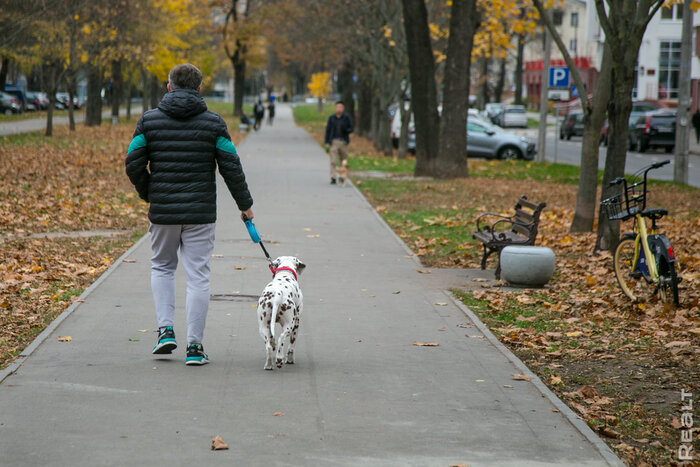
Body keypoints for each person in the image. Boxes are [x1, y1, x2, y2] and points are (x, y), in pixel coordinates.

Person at [125, 63, 254, 366]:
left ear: (169, 87)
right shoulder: (213, 123)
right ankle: (195, 348)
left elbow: (132, 162)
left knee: (162, 267)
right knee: (198, 278)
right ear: (199, 89)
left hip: (164, 213)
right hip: (200, 213)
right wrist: (244, 205)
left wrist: (150, 193)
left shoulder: (149, 121)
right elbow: (231, 166)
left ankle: (165, 330)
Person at [324, 101, 354, 184]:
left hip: (343, 141)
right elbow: (328, 130)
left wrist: (346, 129)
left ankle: (342, 177)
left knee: (343, 161)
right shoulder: (332, 118)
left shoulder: (346, 118)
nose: (339, 109)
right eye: (337, 107)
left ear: (343, 108)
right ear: (335, 108)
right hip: (334, 141)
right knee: (333, 160)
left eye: (341, 107)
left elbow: (351, 128)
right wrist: (327, 141)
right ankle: (333, 177)